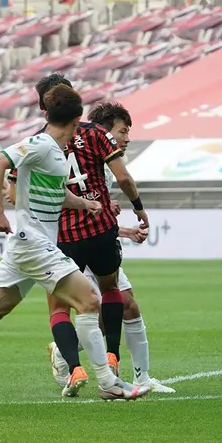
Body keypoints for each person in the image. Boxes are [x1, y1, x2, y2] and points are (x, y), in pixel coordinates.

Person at [0, 85, 151, 401]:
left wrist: (85, 204)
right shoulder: (42, 144)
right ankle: (108, 382)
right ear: (75, 120)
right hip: (35, 243)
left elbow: (55, 193)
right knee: (89, 299)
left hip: (25, 246)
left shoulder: (54, 150)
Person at [47, 102, 175, 393]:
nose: (127, 138)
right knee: (98, 307)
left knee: (126, 306)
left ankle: (140, 378)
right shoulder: (89, 156)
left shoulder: (99, 162)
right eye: (122, 131)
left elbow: (97, 211)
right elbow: (80, 206)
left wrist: (124, 231)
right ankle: (78, 358)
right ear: (104, 131)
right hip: (73, 241)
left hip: (98, 238)